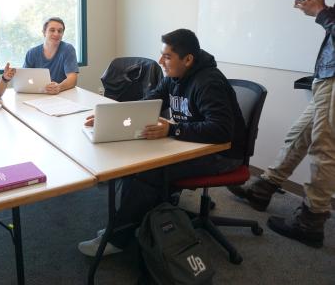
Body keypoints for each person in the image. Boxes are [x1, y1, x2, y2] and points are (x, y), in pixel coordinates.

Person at [78, 29, 246, 256]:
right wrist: (112, 115)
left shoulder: (208, 82)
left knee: (146, 170)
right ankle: (137, 221)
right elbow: (149, 101)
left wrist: (173, 129)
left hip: (223, 154)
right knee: (136, 161)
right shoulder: (174, 78)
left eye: (167, 56)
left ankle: (118, 238)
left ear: (188, 59)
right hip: (194, 144)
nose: (161, 62)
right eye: (162, 54)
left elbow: (222, 131)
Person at [228, 0, 335, 249]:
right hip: (326, 76)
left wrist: (321, 12)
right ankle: (263, 189)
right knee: (300, 135)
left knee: (323, 149)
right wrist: (323, 8)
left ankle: (311, 220)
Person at [23, 17, 79, 95]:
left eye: (60, 31)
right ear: (44, 32)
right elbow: (24, 78)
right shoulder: (31, 53)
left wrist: (59, 87)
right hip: (37, 94)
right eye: (52, 30)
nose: (56, 34)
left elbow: (72, 79)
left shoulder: (68, 49)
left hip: (62, 94)